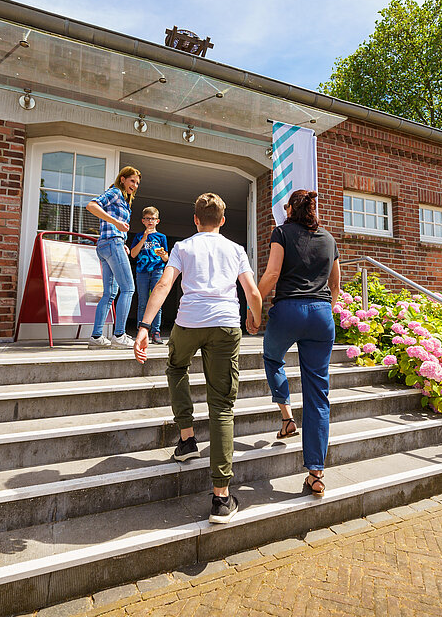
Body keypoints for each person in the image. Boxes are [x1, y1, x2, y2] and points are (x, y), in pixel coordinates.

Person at [134, 193, 262, 524]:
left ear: (195, 220)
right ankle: (221, 498)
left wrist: (145, 326)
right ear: (222, 220)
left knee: (176, 367)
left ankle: (187, 438)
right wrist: (254, 319)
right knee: (222, 406)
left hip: (188, 322)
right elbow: (253, 292)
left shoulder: (183, 247)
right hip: (225, 323)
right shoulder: (235, 250)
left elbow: (164, 284)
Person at [247, 190, 339, 497]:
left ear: (290, 210)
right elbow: (336, 283)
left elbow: (273, 273)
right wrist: (327, 310)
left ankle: (286, 418)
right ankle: (316, 473)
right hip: (321, 314)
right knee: (318, 394)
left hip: (288, 311)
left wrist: (253, 308)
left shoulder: (281, 232)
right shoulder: (329, 238)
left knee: (273, 357)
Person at [85, 166, 141, 349]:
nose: (135, 185)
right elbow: (91, 205)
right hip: (111, 243)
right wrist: (116, 223)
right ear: (123, 179)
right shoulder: (115, 192)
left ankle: (96, 337)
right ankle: (119, 335)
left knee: (110, 293)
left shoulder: (124, 201)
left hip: (107, 244)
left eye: (137, 183)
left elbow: (112, 226)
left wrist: (122, 241)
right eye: (132, 180)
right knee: (128, 289)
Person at [129, 206, 169, 344]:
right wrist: (144, 238)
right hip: (142, 272)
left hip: (157, 270)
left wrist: (163, 254)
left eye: (152, 219)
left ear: (157, 221)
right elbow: (133, 254)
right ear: (143, 221)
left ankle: (155, 331)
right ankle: (141, 330)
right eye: (147, 219)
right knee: (142, 302)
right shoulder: (139, 236)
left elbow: (166, 259)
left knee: (157, 301)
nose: (150, 221)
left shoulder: (161, 237)